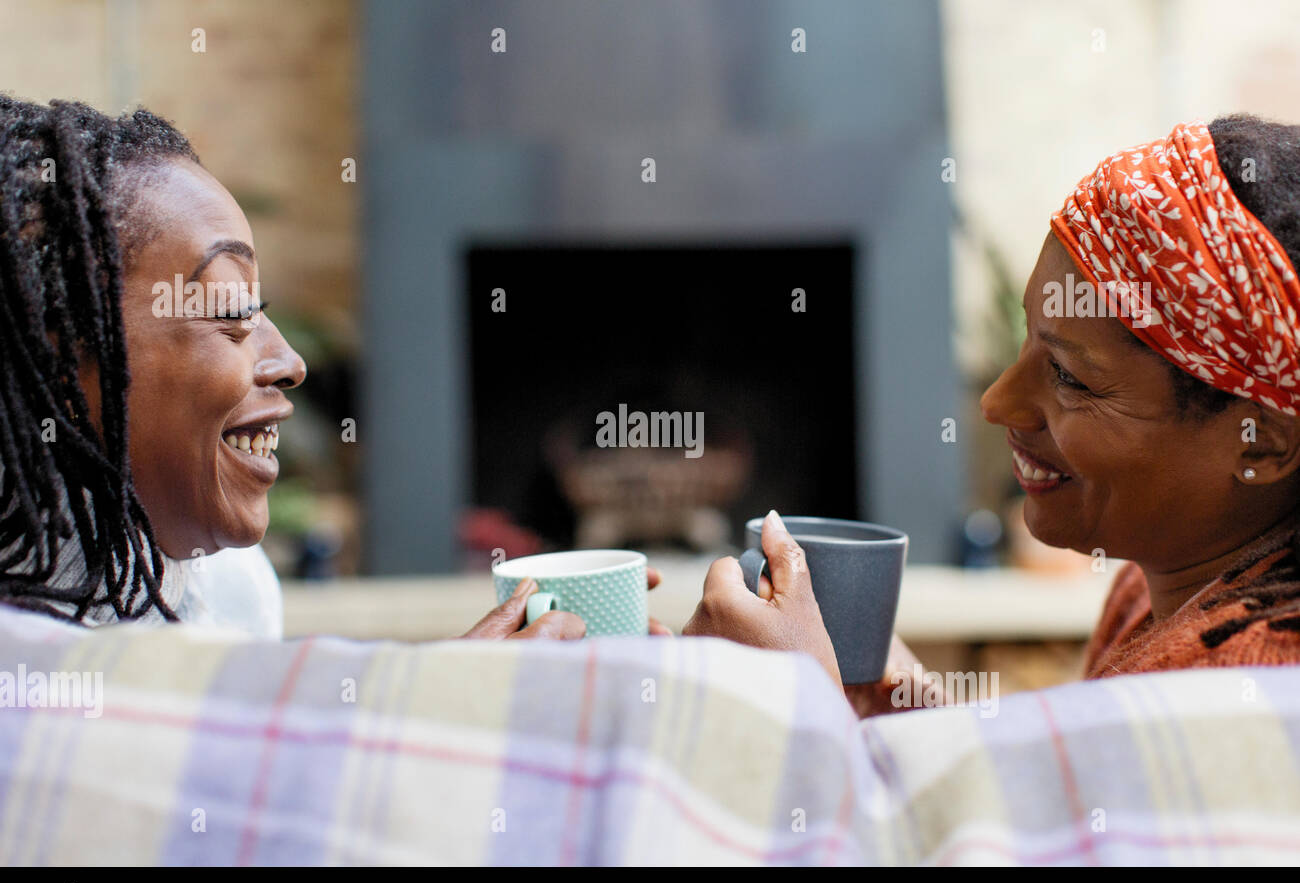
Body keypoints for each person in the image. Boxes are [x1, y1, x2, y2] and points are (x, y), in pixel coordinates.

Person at [688, 115, 1300, 715]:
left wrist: (803, 705)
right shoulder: (1149, 590)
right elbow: (1066, 813)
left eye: (1069, 376)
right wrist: (916, 724)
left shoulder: (1246, 683)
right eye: (1029, 341)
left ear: (1262, 444)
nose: (996, 402)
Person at [0, 95, 635, 640]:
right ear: (52, 357)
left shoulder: (235, 590)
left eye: (263, 310)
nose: (289, 363)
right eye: (228, 309)